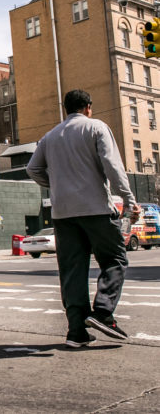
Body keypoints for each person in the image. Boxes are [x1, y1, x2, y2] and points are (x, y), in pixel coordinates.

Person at [27, 89, 140, 348]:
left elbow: (33, 168)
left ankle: (76, 331)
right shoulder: (96, 127)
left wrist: (55, 184)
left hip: (63, 214)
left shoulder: (49, 136)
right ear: (88, 107)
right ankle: (102, 312)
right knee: (114, 259)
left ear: (65, 108)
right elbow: (113, 167)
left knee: (72, 270)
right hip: (96, 209)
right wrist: (129, 200)